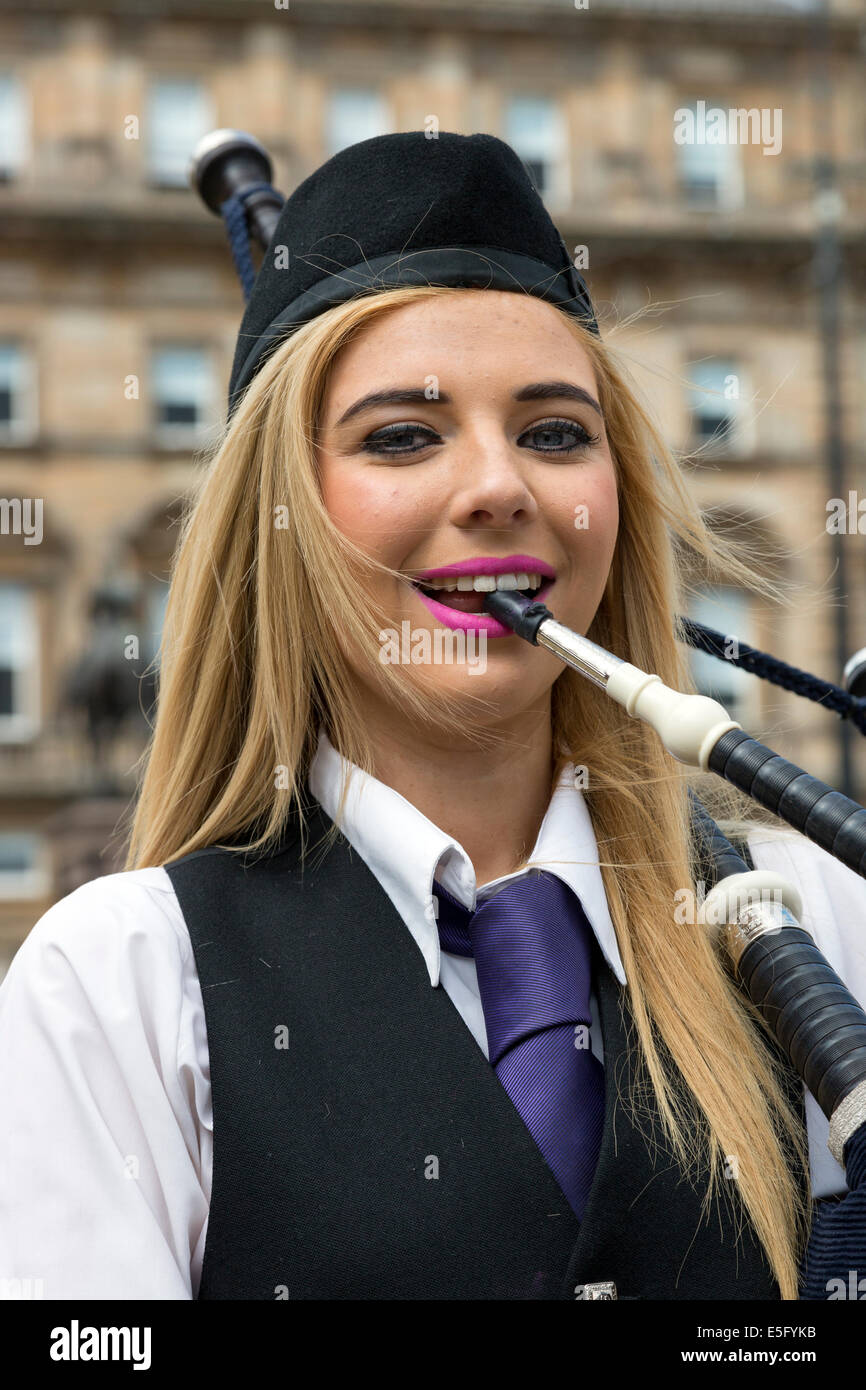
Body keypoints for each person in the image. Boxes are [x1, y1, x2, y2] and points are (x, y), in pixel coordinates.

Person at [1, 131, 864, 1302]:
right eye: (401, 435)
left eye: (554, 431)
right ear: (280, 523)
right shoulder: (122, 987)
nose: (499, 484)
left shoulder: (815, 920)